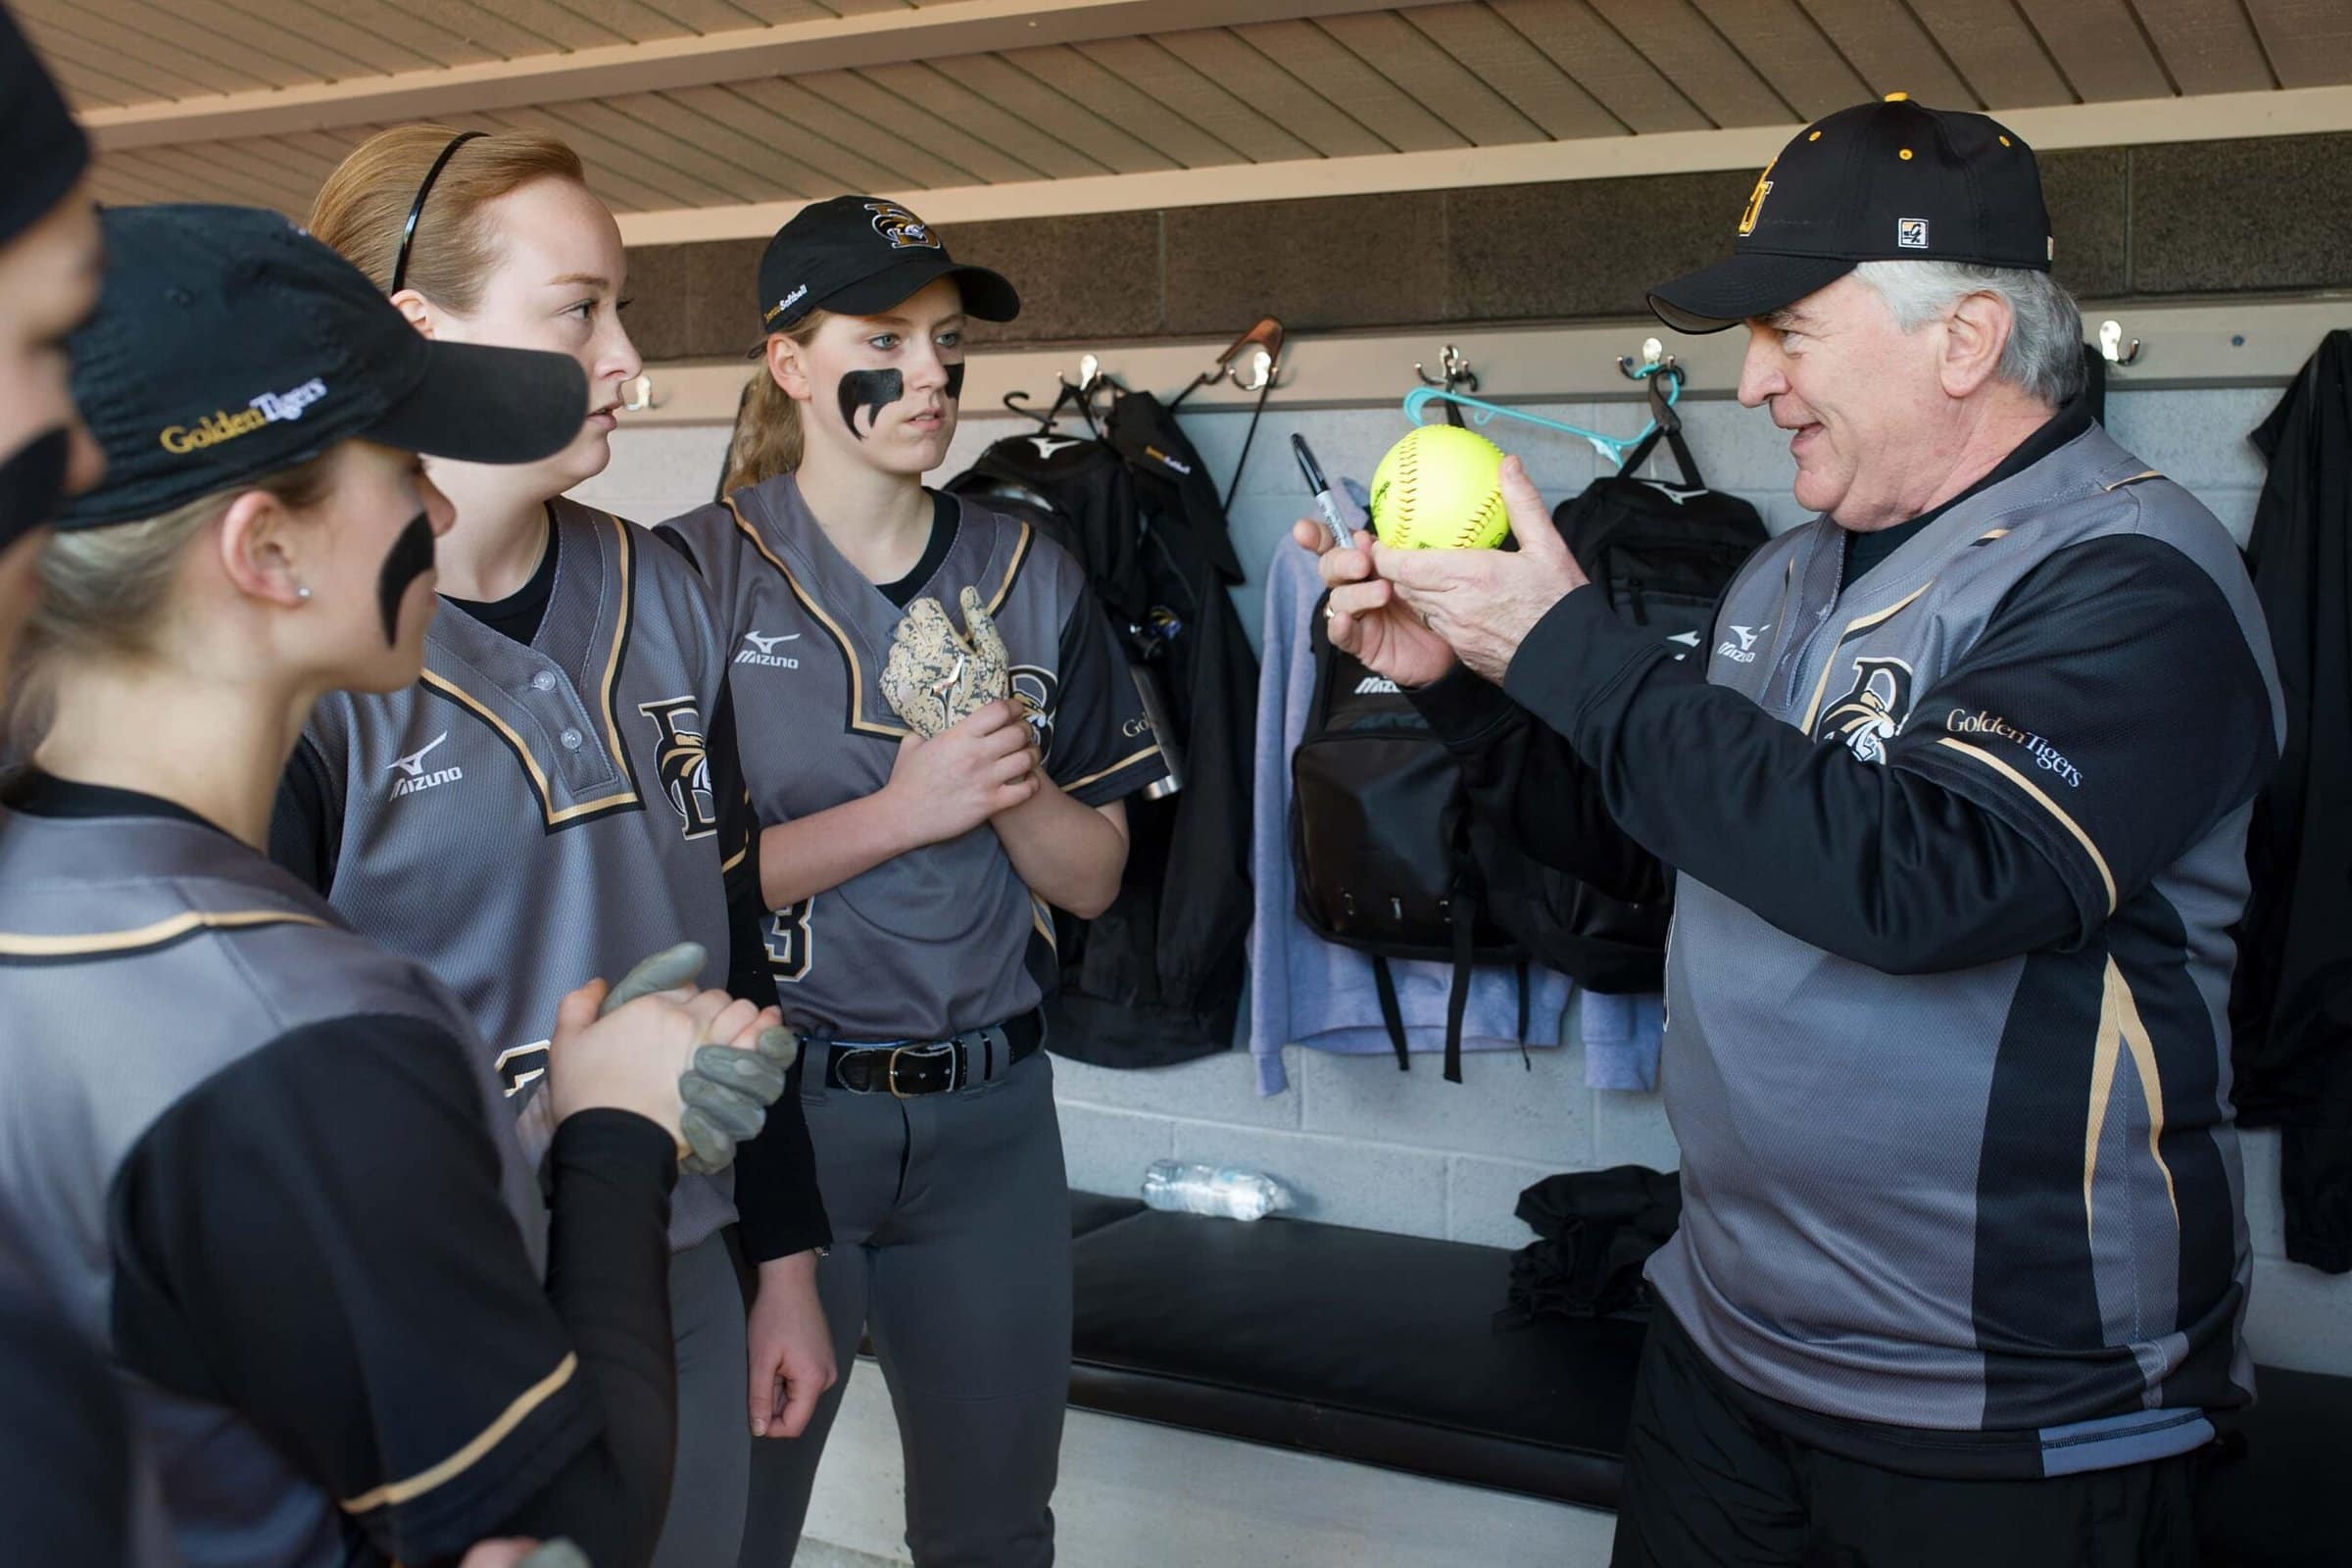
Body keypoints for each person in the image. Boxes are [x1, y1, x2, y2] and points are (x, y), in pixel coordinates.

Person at [1306, 97, 2280, 1567]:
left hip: (2007, 1414)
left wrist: (1571, 644)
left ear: (1961, 340)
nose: (1752, 382)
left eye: (1790, 329)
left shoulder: (2133, 577)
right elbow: (1669, 850)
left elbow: (1929, 880)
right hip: (1725, 1357)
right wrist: (1470, 699)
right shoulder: (1786, 572)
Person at [0, 201, 793, 1568]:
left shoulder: (58, 894)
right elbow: (561, 1533)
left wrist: (534, 1121)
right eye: (395, 466)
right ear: (269, 550)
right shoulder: (297, 1030)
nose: (435, 506)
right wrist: (613, 1136)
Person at [281, 124, 835, 1568]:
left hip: (682, 1267)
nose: (626, 358)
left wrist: (781, 1261)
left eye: (623, 307)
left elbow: (734, 942)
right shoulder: (304, 671)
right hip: (444, 1314)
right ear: (419, 332)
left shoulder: (666, 590)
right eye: (578, 308)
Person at [662, 196, 1168, 1567]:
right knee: (732, 1526)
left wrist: (1010, 788)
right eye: (887, 336)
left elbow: (1098, 880)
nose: (934, 372)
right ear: (790, 364)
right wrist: (903, 810)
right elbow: (675, 888)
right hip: (782, 1115)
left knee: (996, 1533)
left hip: (993, 1118)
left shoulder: (1031, 568)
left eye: (946, 340)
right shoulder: (690, 575)